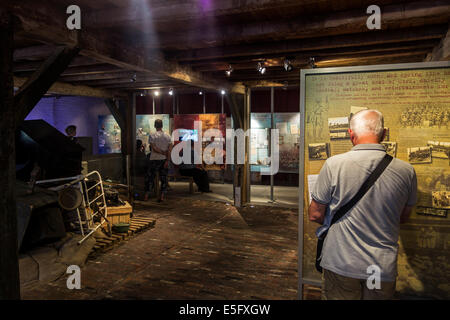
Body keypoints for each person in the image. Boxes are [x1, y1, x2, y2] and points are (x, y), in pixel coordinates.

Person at [308, 109, 417, 300]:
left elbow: (315, 215)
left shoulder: (334, 164)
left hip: (341, 262)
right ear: (384, 134)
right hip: (379, 267)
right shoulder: (407, 171)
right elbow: (403, 217)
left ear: (351, 134)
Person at [145, 119, 172, 202]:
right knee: (163, 179)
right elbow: (170, 149)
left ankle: (146, 195)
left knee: (150, 178)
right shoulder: (168, 136)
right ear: (162, 126)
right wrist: (167, 159)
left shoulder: (152, 135)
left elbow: (154, 148)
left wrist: (162, 152)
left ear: (154, 125)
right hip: (164, 160)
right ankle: (162, 196)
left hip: (154, 159)